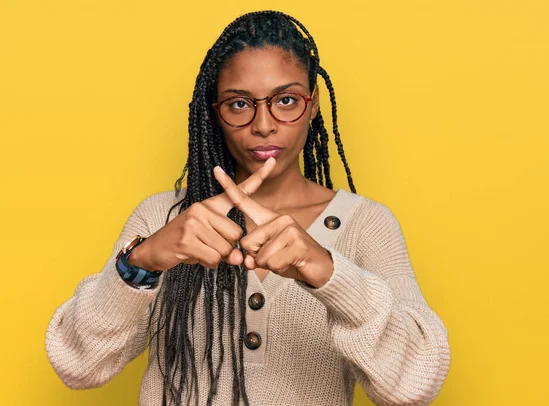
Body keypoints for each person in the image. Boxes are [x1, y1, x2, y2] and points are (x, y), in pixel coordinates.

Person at [45, 10, 451, 406]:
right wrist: (144, 260)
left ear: (312, 106)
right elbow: (79, 366)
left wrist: (329, 272)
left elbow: (413, 387)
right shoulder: (162, 218)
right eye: (240, 104)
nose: (263, 124)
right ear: (214, 114)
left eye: (286, 100)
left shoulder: (366, 225)